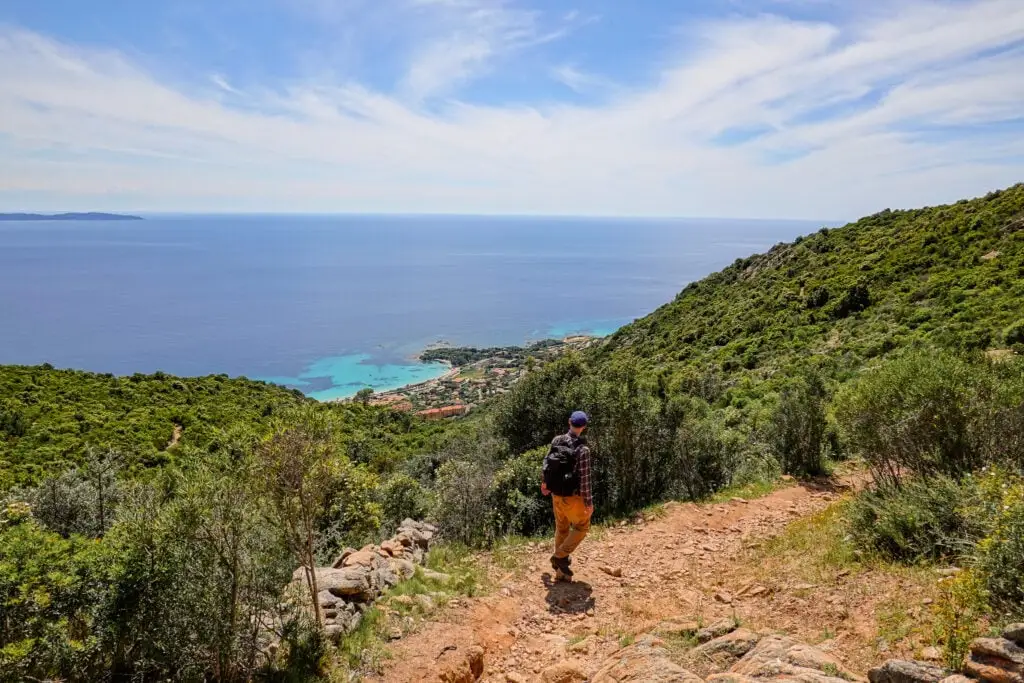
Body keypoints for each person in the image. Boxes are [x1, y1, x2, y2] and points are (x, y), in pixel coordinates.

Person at [541, 410, 593, 580]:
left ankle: (560, 573)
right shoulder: (583, 449)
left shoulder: (557, 440)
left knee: (561, 528)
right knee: (582, 527)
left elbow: (547, 462)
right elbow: (585, 479)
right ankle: (560, 556)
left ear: (569, 421)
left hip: (556, 494)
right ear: (583, 427)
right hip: (572, 497)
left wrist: (545, 483)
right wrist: (588, 503)